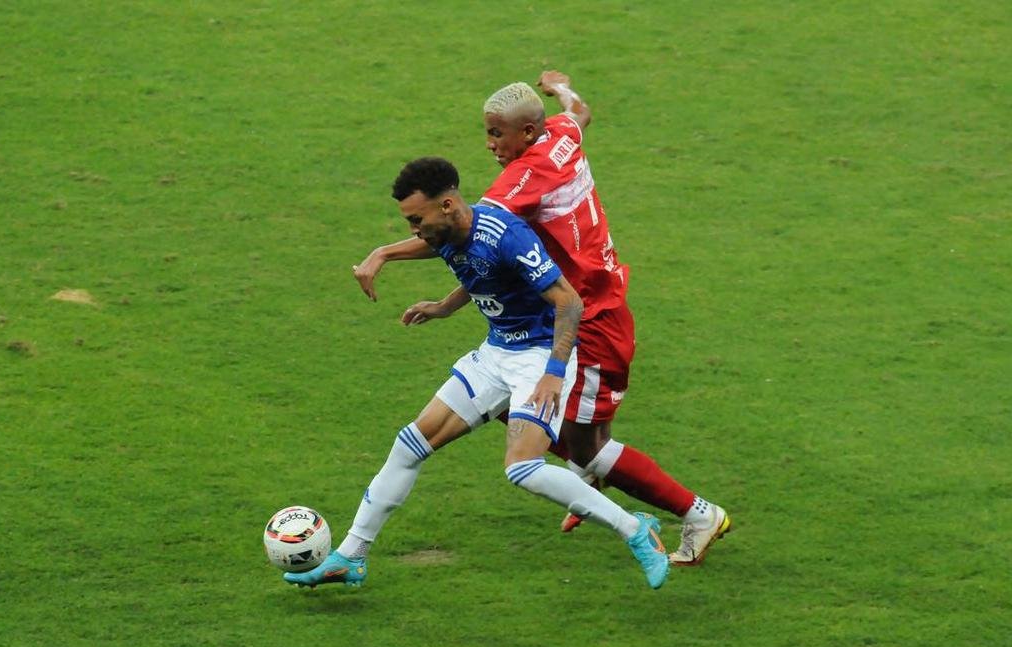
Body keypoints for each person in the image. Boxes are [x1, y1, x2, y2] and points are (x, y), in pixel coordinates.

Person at [351, 74, 731, 567]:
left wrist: (384, 253)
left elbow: (464, 234)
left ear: (528, 133)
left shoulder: (518, 184)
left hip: (586, 317)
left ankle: (697, 514)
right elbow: (580, 112)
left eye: (496, 134)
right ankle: (579, 475)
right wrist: (562, 87)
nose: (489, 145)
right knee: (528, 417)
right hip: (589, 298)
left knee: (586, 446)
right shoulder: (562, 134)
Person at [286, 157, 670, 590]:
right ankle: (351, 557)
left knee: (522, 468)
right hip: (497, 352)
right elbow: (463, 259)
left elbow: (569, 302)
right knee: (410, 444)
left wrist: (553, 373)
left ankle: (637, 530)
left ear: (447, 204)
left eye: (417, 219)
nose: (414, 229)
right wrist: (428, 294)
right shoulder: (448, 229)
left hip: (539, 357)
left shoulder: (508, 236)